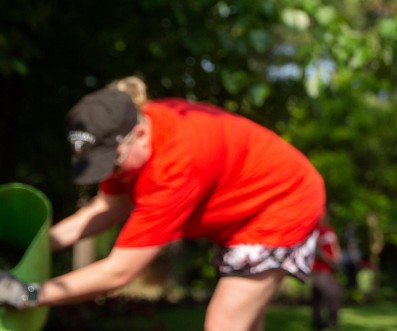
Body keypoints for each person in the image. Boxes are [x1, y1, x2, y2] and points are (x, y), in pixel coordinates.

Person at [0, 77, 326, 330]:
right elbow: (105, 208)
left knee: (223, 325)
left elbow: (119, 272)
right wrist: (32, 247)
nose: (109, 174)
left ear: (140, 134)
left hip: (282, 203)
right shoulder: (127, 136)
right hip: (243, 212)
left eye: (111, 165)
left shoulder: (175, 167)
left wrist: (29, 294)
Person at [312, 212, 344, 330]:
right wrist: (329, 260)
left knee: (335, 295)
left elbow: (335, 246)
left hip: (332, 270)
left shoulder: (330, 230)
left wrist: (337, 259)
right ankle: (319, 323)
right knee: (320, 297)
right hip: (320, 269)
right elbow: (316, 249)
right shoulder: (315, 231)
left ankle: (333, 321)